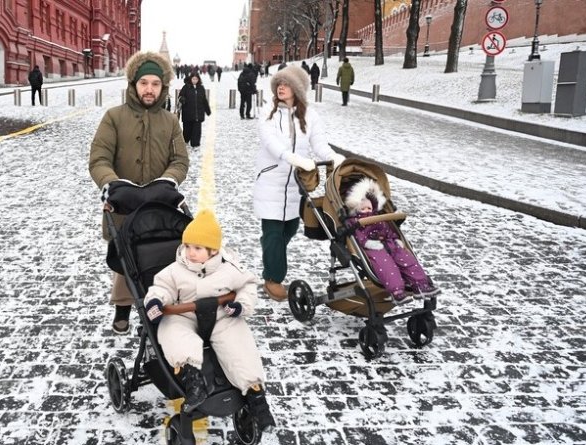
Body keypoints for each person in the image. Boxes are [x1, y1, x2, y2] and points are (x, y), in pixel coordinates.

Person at [143, 209, 276, 433]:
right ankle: (192, 379)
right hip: (184, 315)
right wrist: (155, 301)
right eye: (187, 246)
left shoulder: (229, 268)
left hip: (220, 315)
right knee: (172, 330)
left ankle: (256, 396)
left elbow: (247, 285)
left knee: (239, 342)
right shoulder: (175, 270)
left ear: (213, 250)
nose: (190, 253)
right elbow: (162, 288)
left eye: (197, 248)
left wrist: (241, 304)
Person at [89, 51, 190, 334]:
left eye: (155, 84)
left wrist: (169, 180)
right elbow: (99, 158)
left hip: (159, 201)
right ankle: (122, 306)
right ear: (134, 84)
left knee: (161, 251)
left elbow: (180, 160)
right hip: (124, 202)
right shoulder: (114, 117)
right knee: (126, 256)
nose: (149, 89)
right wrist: (112, 184)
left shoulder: (170, 121)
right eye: (143, 82)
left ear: (163, 87)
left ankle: (161, 302)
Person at [253, 65, 345, 301]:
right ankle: (273, 277)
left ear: (299, 89)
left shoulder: (310, 115)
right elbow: (270, 141)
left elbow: (319, 144)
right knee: (273, 231)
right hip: (272, 179)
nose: (281, 87)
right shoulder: (267, 112)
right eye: (279, 84)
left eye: (287, 84)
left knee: (290, 228)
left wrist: (332, 157)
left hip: (298, 184)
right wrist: (291, 157)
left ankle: (271, 253)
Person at [344, 177, 437, 304]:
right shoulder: (353, 222)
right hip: (372, 248)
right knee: (387, 266)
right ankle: (397, 290)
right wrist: (367, 243)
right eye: (363, 208)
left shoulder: (379, 217)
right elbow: (357, 236)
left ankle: (421, 284)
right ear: (355, 208)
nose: (367, 211)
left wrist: (395, 239)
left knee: (407, 259)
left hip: (389, 243)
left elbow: (388, 230)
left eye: (369, 208)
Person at [179, 71, 211, 148]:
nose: (194, 81)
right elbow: (180, 96)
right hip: (188, 113)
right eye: (193, 79)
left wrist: (207, 110)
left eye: (196, 79)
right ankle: (186, 140)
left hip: (198, 114)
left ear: (198, 79)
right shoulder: (186, 87)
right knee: (187, 131)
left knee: (196, 131)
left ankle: (195, 143)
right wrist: (182, 99)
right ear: (190, 79)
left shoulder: (201, 88)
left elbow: (204, 100)